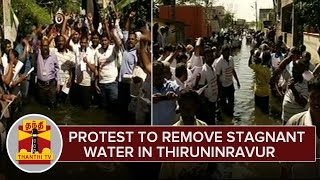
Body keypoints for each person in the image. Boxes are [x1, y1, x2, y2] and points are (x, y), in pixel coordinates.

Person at [281, 75, 320, 179]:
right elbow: (285, 166)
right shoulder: (294, 124)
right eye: (313, 97)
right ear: (308, 97)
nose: (316, 102)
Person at [214, 45, 240, 116]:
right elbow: (217, 76)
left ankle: (231, 115)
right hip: (223, 86)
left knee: (231, 102)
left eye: (229, 52)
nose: (228, 54)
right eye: (226, 53)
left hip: (230, 84)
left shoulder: (231, 59)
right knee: (223, 105)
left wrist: (237, 81)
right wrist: (218, 91)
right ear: (222, 53)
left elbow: (233, 70)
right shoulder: (219, 62)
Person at [36, 38, 60, 109]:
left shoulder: (53, 56)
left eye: (46, 46)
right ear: (41, 47)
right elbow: (34, 44)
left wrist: (58, 83)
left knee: (52, 104)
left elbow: (57, 69)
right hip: (40, 85)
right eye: (43, 46)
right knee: (42, 105)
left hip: (51, 84)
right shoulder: (38, 54)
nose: (45, 48)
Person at [249, 50, 272, 114]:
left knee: (257, 110)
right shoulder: (268, 70)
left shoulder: (257, 67)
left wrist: (250, 55)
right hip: (265, 93)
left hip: (257, 92)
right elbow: (269, 81)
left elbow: (249, 64)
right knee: (265, 112)